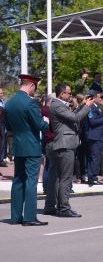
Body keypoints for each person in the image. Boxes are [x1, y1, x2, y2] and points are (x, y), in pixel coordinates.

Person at [4, 74, 49, 226]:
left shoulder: (9, 103)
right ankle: (29, 217)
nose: (34, 91)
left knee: (18, 180)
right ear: (30, 85)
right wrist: (45, 121)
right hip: (31, 146)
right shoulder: (30, 103)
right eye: (34, 88)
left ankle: (15, 217)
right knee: (31, 181)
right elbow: (39, 125)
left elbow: (8, 127)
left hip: (18, 145)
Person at [44, 82, 93, 218]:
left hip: (64, 143)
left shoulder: (59, 105)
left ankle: (56, 206)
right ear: (62, 94)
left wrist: (83, 105)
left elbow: (72, 117)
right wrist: (87, 107)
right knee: (65, 178)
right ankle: (64, 208)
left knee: (59, 177)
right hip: (64, 144)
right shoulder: (57, 104)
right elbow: (76, 118)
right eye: (69, 93)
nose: (70, 95)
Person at [86, 91, 103, 186]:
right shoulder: (91, 107)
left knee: (95, 157)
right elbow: (92, 121)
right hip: (94, 136)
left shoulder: (97, 107)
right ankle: (92, 177)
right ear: (94, 98)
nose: (100, 99)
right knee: (95, 157)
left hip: (98, 135)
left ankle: (92, 177)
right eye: (99, 97)